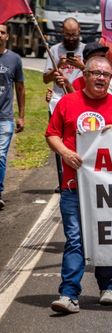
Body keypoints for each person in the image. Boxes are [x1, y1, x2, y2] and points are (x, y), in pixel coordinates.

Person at [46, 56, 112, 314]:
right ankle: (69, 294)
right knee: (75, 240)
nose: (100, 78)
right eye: (95, 73)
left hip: (106, 190)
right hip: (74, 186)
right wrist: (65, 152)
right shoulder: (67, 102)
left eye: (106, 75)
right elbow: (51, 134)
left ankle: (107, 286)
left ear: (111, 78)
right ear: (84, 75)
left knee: (105, 239)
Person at [0, 24, 25, 210]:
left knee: (0, 155)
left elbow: (20, 88)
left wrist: (21, 115)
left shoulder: (14, 59)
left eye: (1, 32)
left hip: (5, 117)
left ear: (7, 36)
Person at [43, 18, 85, 113]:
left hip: (79, 99)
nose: (71, 38)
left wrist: (81, 66)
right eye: (67, 35)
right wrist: (58, 65)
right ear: (62, 32)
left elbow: (93, 75)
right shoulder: (54, 50)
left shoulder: (86, 50)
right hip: (58, 101)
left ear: (79, 30)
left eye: (74, 34)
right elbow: (46, 79)